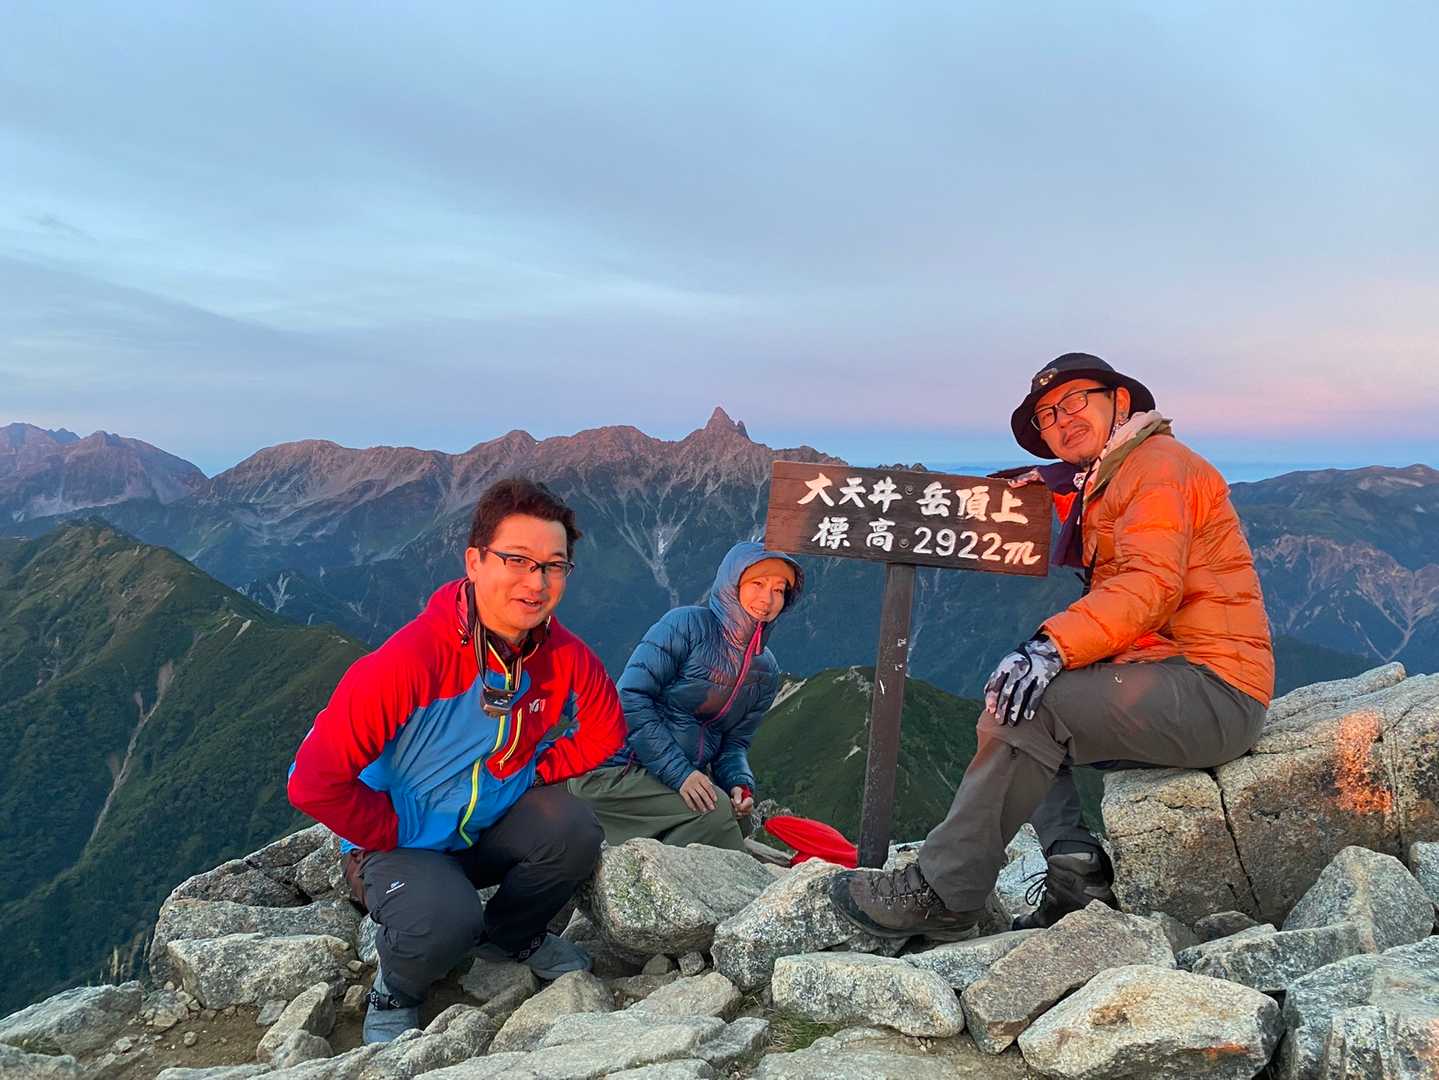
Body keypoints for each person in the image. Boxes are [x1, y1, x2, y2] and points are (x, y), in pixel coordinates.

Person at [830, 352, 1274, 940]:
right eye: (1047, 416)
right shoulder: (1116, 474)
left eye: (1075, 401)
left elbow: (1149, 583)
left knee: (1032, 706)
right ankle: (1076, 875)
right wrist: (1035, 487)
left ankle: (943, 893)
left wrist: (1050, 647)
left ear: (1120, 401)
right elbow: (1090, 502)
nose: (1062, 420)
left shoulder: (1158, 467)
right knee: (1017, 701)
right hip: (1180, 678)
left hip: (1213, 686)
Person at [287, 478, 626, 1043]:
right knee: (445, 920)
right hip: (401, 843)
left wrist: (530, 772)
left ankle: (511, 935)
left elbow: (606, 731)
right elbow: (311, 782)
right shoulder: (409, 662)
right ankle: (398, 986)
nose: (536, 582)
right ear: (474, 561)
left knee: (573, 830)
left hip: (483, 827)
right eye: (517, 560)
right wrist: (389, 829)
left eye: (554, 566)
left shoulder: (561, 654)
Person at [569, 541, 803, 851]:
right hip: (612, 769)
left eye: (779, 590)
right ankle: (643, 867)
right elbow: (631, 698)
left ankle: (658, 857)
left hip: (661, 777)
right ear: (733, 584)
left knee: (736, 817)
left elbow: (734, 744)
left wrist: (739, 784)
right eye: (757, 584)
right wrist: (681, 774)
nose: (767, 599)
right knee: (715, 813)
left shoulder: (765, 670)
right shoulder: (686, 626)